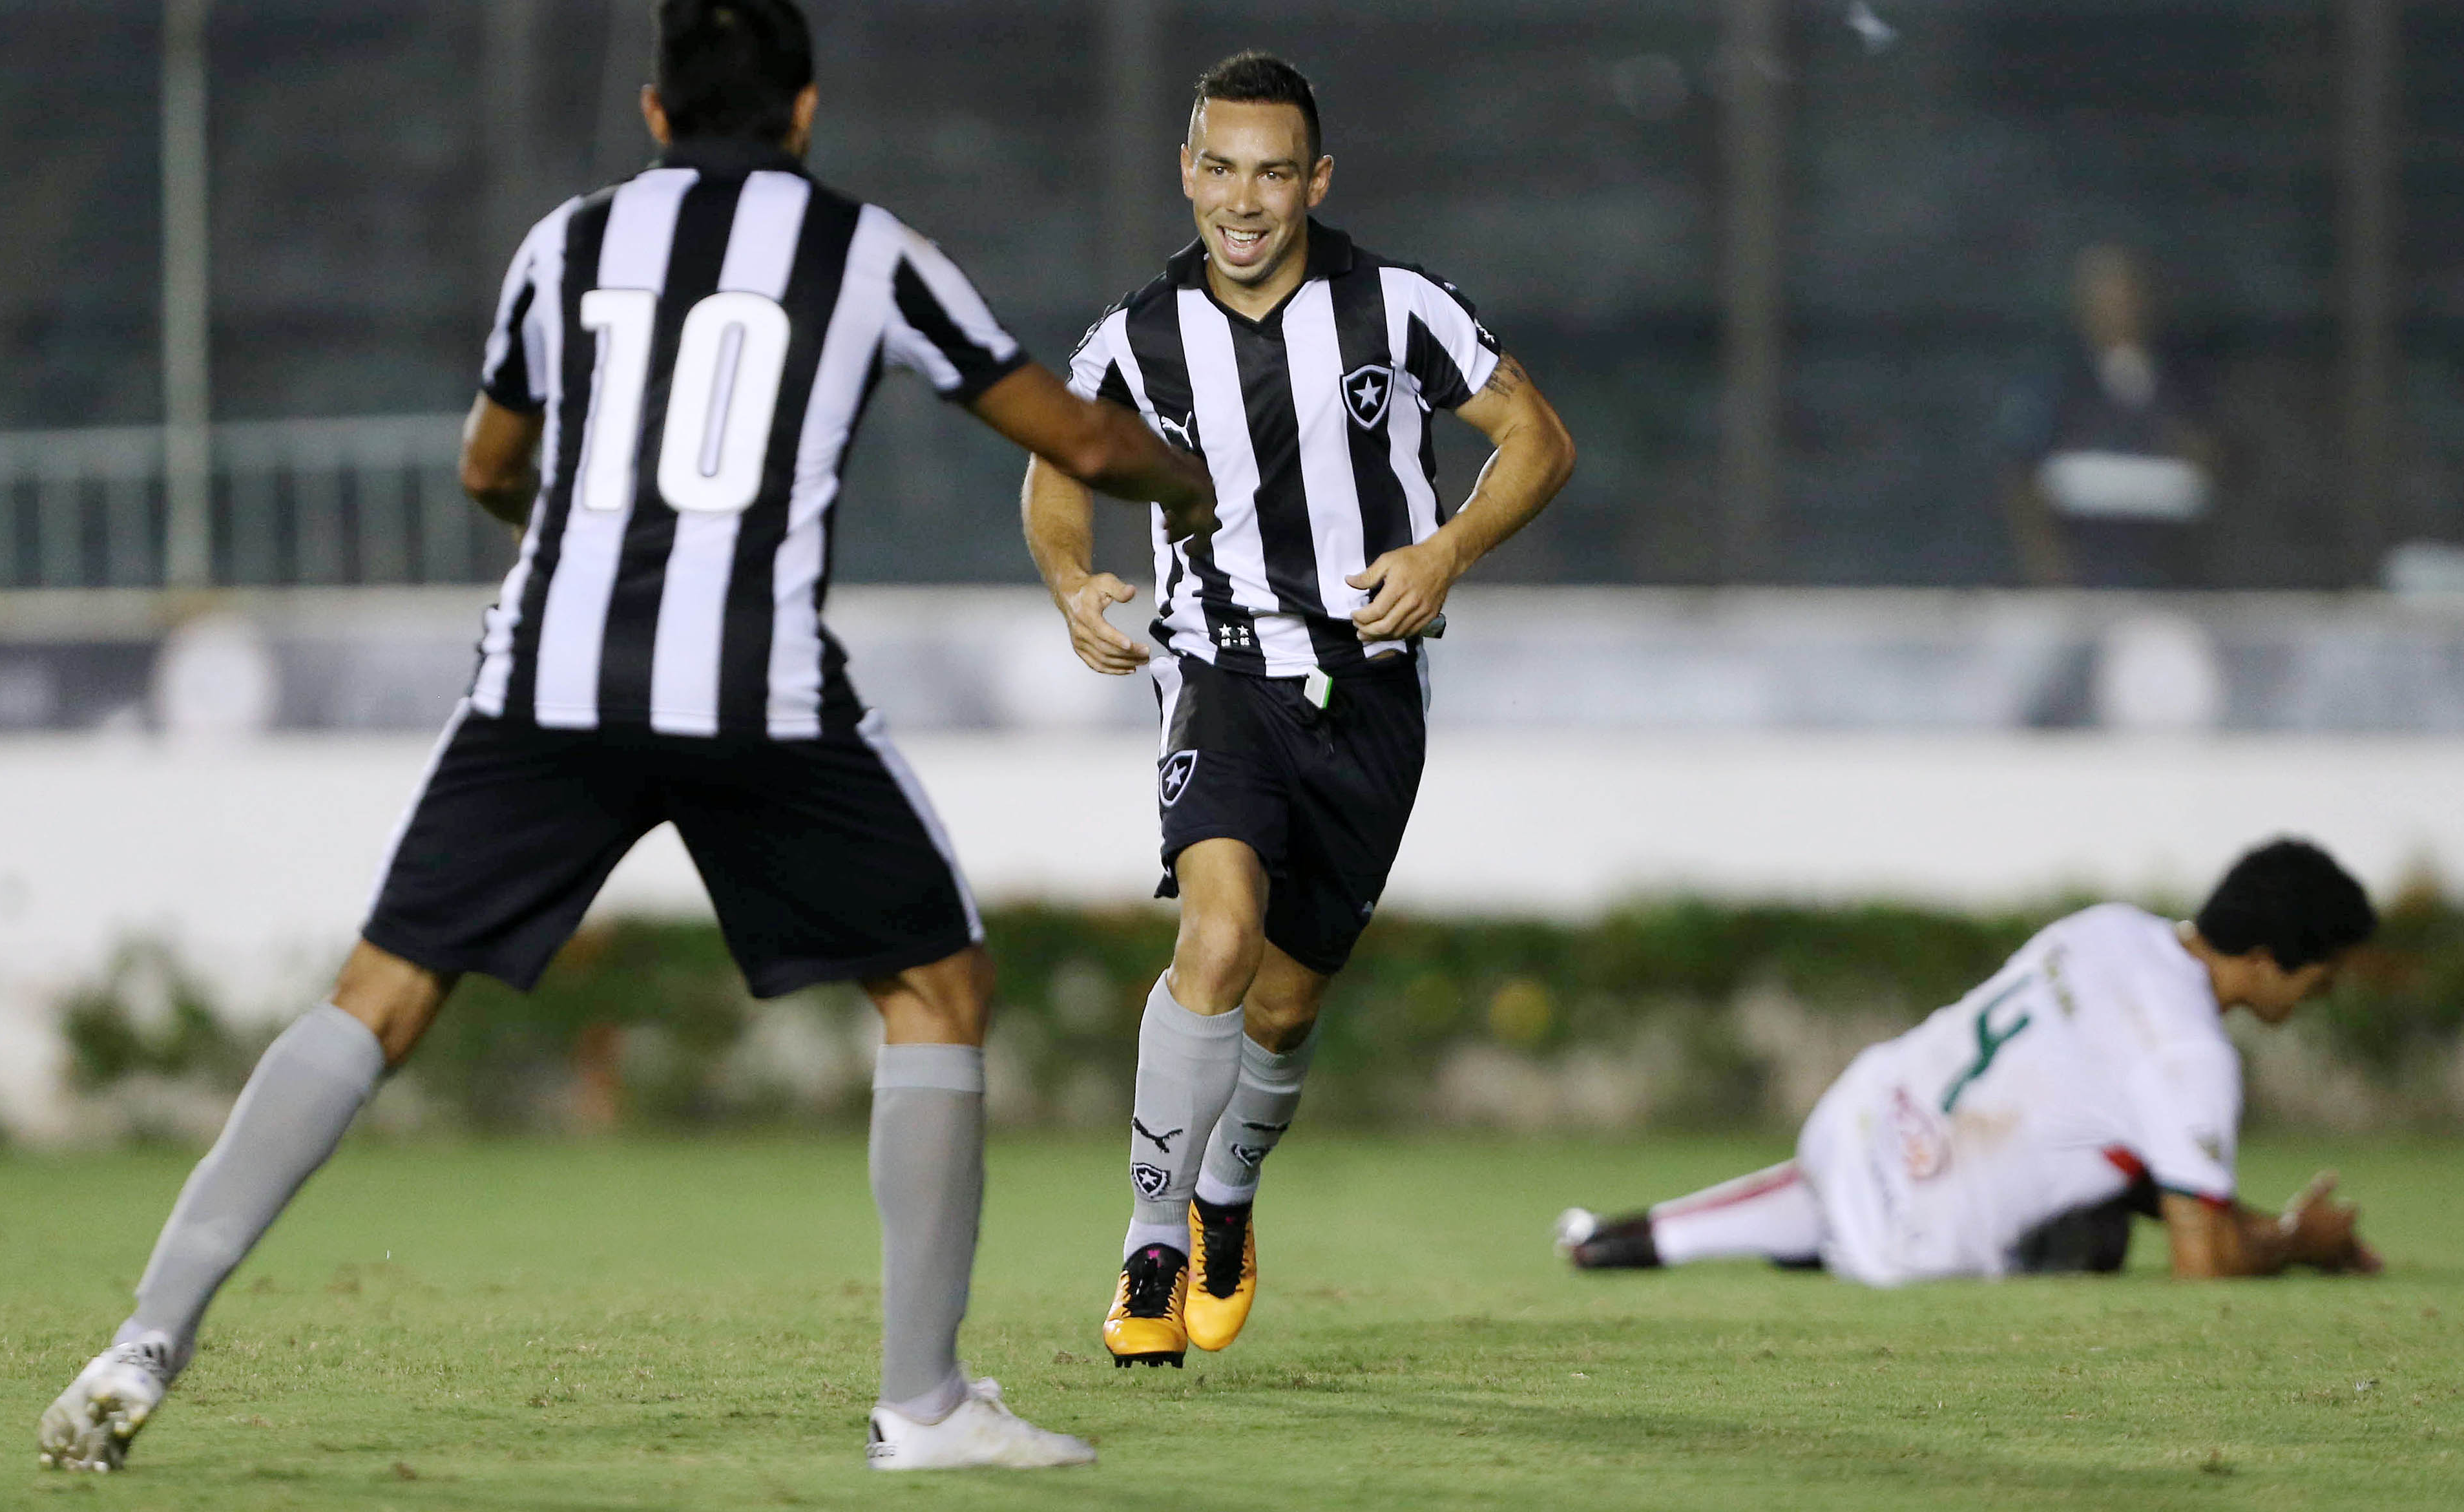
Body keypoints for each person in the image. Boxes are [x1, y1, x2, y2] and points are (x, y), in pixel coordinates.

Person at [38, 0, 1213, 1475]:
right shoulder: (863, 249)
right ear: (802, 111)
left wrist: (590, 539)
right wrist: (1184, 490)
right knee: (934, 981)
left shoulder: (566, 242)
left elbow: (485, 465)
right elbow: (1082, 440)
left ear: (655, 114)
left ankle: (147, 1334)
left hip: (545, 686)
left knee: (377, 994)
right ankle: (920, 1404)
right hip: (754, 692)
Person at [1021, 52, 1576, 1367]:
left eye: (1275, 171)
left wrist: (1442, 552)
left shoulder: (1398, 307)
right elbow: (1057, 471)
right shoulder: (1138, 335)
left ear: (1315, 180)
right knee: (1217, 940)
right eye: (1221, 168)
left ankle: (1226, 1200)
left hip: (1373, 695)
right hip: (1217, 671)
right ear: (1187, 173)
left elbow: (1540, 440)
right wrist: (1073, 581)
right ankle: (1150, 1251)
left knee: (1280, 1008)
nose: (1246, 199)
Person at [1557, 839, 2383, 1286]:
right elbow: (2202, 1266)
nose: (2323, 993)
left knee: (1846, 1191)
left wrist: (2251, 1220)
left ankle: (1615, 1240)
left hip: (1862, 1117)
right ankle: (1801, 1243)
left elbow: (2123, 1137)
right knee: (2089, 1233)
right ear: (2273, 959)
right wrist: (2296, 1243)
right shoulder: (2191, 1053)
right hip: (1919, 1240)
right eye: (2323, 975)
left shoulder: (2109, 928)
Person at [1998, 243, 2219, 589]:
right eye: (2104, 297)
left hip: (2169, 583)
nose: (2116, 308)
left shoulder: (2184, 384)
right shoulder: (2054, 387)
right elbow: (2022, 481)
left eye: (2125, 295)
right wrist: (2051, 570)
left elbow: (2208, 465)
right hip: (2083, 579)